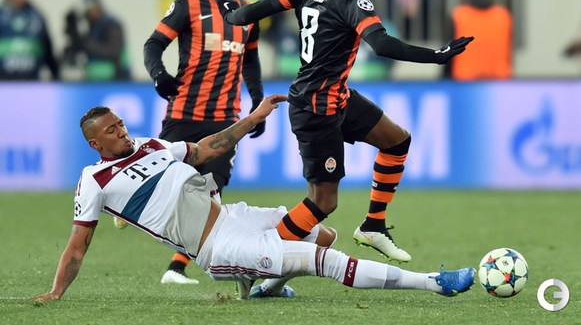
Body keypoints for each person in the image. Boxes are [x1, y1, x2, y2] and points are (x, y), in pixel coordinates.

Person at [32, 97, 475, 301]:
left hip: (233, 217)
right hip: (217, 247)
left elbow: (207, 149)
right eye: (111, 131)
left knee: (324, 235)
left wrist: (253, 117)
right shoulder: (94, 180)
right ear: (95, 144)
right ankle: (433, 284)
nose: (122, 132)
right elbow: (78, 245)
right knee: (321, 259)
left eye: (121, 124)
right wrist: (56, 292)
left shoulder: (150, 145)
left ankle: (264, 286)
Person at [222, 0, 474, 268]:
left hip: (336, 97)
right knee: (323, 203)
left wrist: (231, 16)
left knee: (397, 141)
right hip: (316, 109)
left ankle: (373, 226)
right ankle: (259, 259)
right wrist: (436, 56)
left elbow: (257, 11)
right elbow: (381, 44)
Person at [143, 0, 264, 284]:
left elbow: (250, 59)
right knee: (164, 187)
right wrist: (159, 75)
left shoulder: (248, 13)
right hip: (183, 114)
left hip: (225, 119)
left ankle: (176, 267)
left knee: (212, 191)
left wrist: (256, 101)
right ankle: (128, 206)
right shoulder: (188, 5)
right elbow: (154, 44)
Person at [445, 0, 512, 81]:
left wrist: (444, 80)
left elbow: (448, 53)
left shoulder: (460, 16)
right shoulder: (503, 16)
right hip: (499, 81)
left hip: (464, 81)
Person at [0, 0, 60, 80]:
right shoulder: (1, 15)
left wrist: (55, 72)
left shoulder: (36, 15)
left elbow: (47, 45)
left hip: (31, 77)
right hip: (4, 78)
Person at [63, 0, 131, 81]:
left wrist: (85, 43)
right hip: (95, 78)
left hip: (115, 78)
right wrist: (74, 33)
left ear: (98, 7)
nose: (87, 14)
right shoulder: (92, 26)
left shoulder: (111, 25)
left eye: (89, 10)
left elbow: (113, 51)